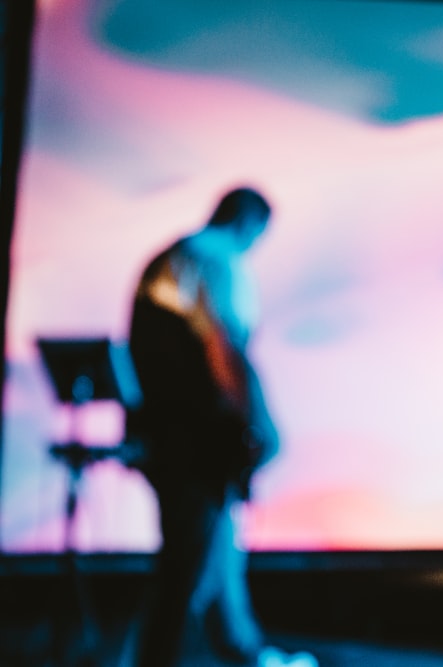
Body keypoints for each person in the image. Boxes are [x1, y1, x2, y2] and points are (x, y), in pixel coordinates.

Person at [127, 187, 315, 667]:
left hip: (169, 433)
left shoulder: (171, 258)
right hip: (199, 438)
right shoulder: (219, 262)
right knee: (189, 562)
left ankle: (244, 650)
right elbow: (225, 347)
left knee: (209, 550)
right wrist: (257, 425)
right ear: (249, 225)